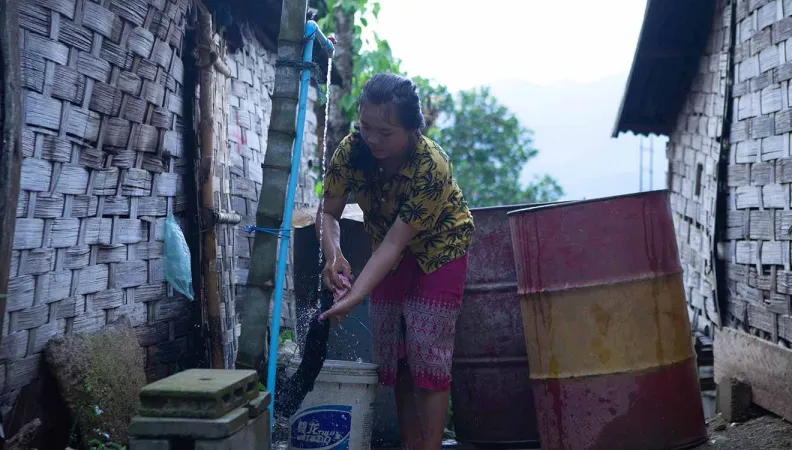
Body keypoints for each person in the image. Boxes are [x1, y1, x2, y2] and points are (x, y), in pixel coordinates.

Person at [316, 73, 475, 449]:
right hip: (386, 253)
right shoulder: (351, 151)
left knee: (428, 358)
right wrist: (333, 254)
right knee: (397, 358)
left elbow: (394, 243)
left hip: (439, 252)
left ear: (413, 130)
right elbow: (329, 213)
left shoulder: (431, 166)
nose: (372, 139)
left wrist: (355, 296)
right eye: (366, 127)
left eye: (385, 133)